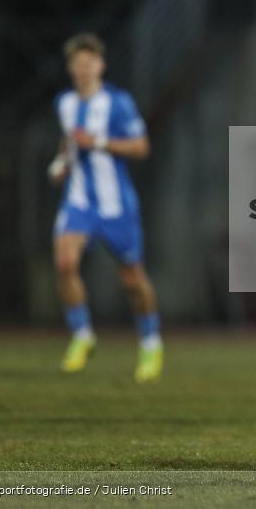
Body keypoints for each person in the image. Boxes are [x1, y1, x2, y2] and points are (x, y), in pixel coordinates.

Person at [48, 33, 163, 383]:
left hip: (116, 206)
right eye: (78, 64)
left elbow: (141, 147)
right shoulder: (64, 103)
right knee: (65, 262)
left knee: (131, 279)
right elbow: (67, 144)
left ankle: (150, 342)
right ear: (71, 68)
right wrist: (60, 164)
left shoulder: (118, 103)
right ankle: (82, 336)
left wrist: (97, 141)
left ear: (101, 65)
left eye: (90, 63)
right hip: (79, 200)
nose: (84, 69)